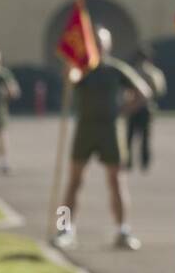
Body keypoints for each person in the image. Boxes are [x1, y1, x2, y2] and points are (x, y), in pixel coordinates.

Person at [53, 26, 151, 251]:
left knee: (116, 181)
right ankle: (65, 228)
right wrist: (70, 73)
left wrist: (122, 111)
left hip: (110, 130)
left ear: (108, 45)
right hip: (85, 128)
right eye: (93, 41)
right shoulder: (81, 69)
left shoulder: (116, 69)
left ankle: (123, 230)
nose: (96, 46)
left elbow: (144, 92)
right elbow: (71, 80)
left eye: (100, 42)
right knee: (74, 181)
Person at [125, 45, 167, 172]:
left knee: (129, 137)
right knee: (145, 138)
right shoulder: (154, 73)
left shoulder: (132, 72)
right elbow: (160, 90)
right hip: (146, 108)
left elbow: (126, 91)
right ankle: (145, 162)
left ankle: (128, 162)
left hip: (133, 108)